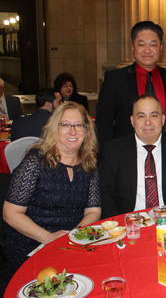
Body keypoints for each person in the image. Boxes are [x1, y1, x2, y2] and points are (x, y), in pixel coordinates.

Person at [2, 102, 100, 270]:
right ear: (55, 128)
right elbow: (10, 213)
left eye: (78, 125)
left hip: (72, 241)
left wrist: (74, 235)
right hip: (33, 242)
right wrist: (47, 237)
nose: (72, 131)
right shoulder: (36, 161)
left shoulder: (89, 164)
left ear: (86, 130)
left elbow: (93, 211)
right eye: (65, 125)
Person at [100, 95, 166, 219]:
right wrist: (118, 224)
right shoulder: (113, 150)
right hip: (130, 222)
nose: (147, 122)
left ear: (163, 120)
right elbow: (106, 193)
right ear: (132, 121)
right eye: (141, 116)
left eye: (154, 116)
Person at [96, 21, 166, 155]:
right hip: (126, 157)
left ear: (161, 48)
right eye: (141, 44)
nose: (147, 50)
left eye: (153, 45)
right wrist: (105, 160)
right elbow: (104, 125)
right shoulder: (115, 80)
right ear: (132, 47)